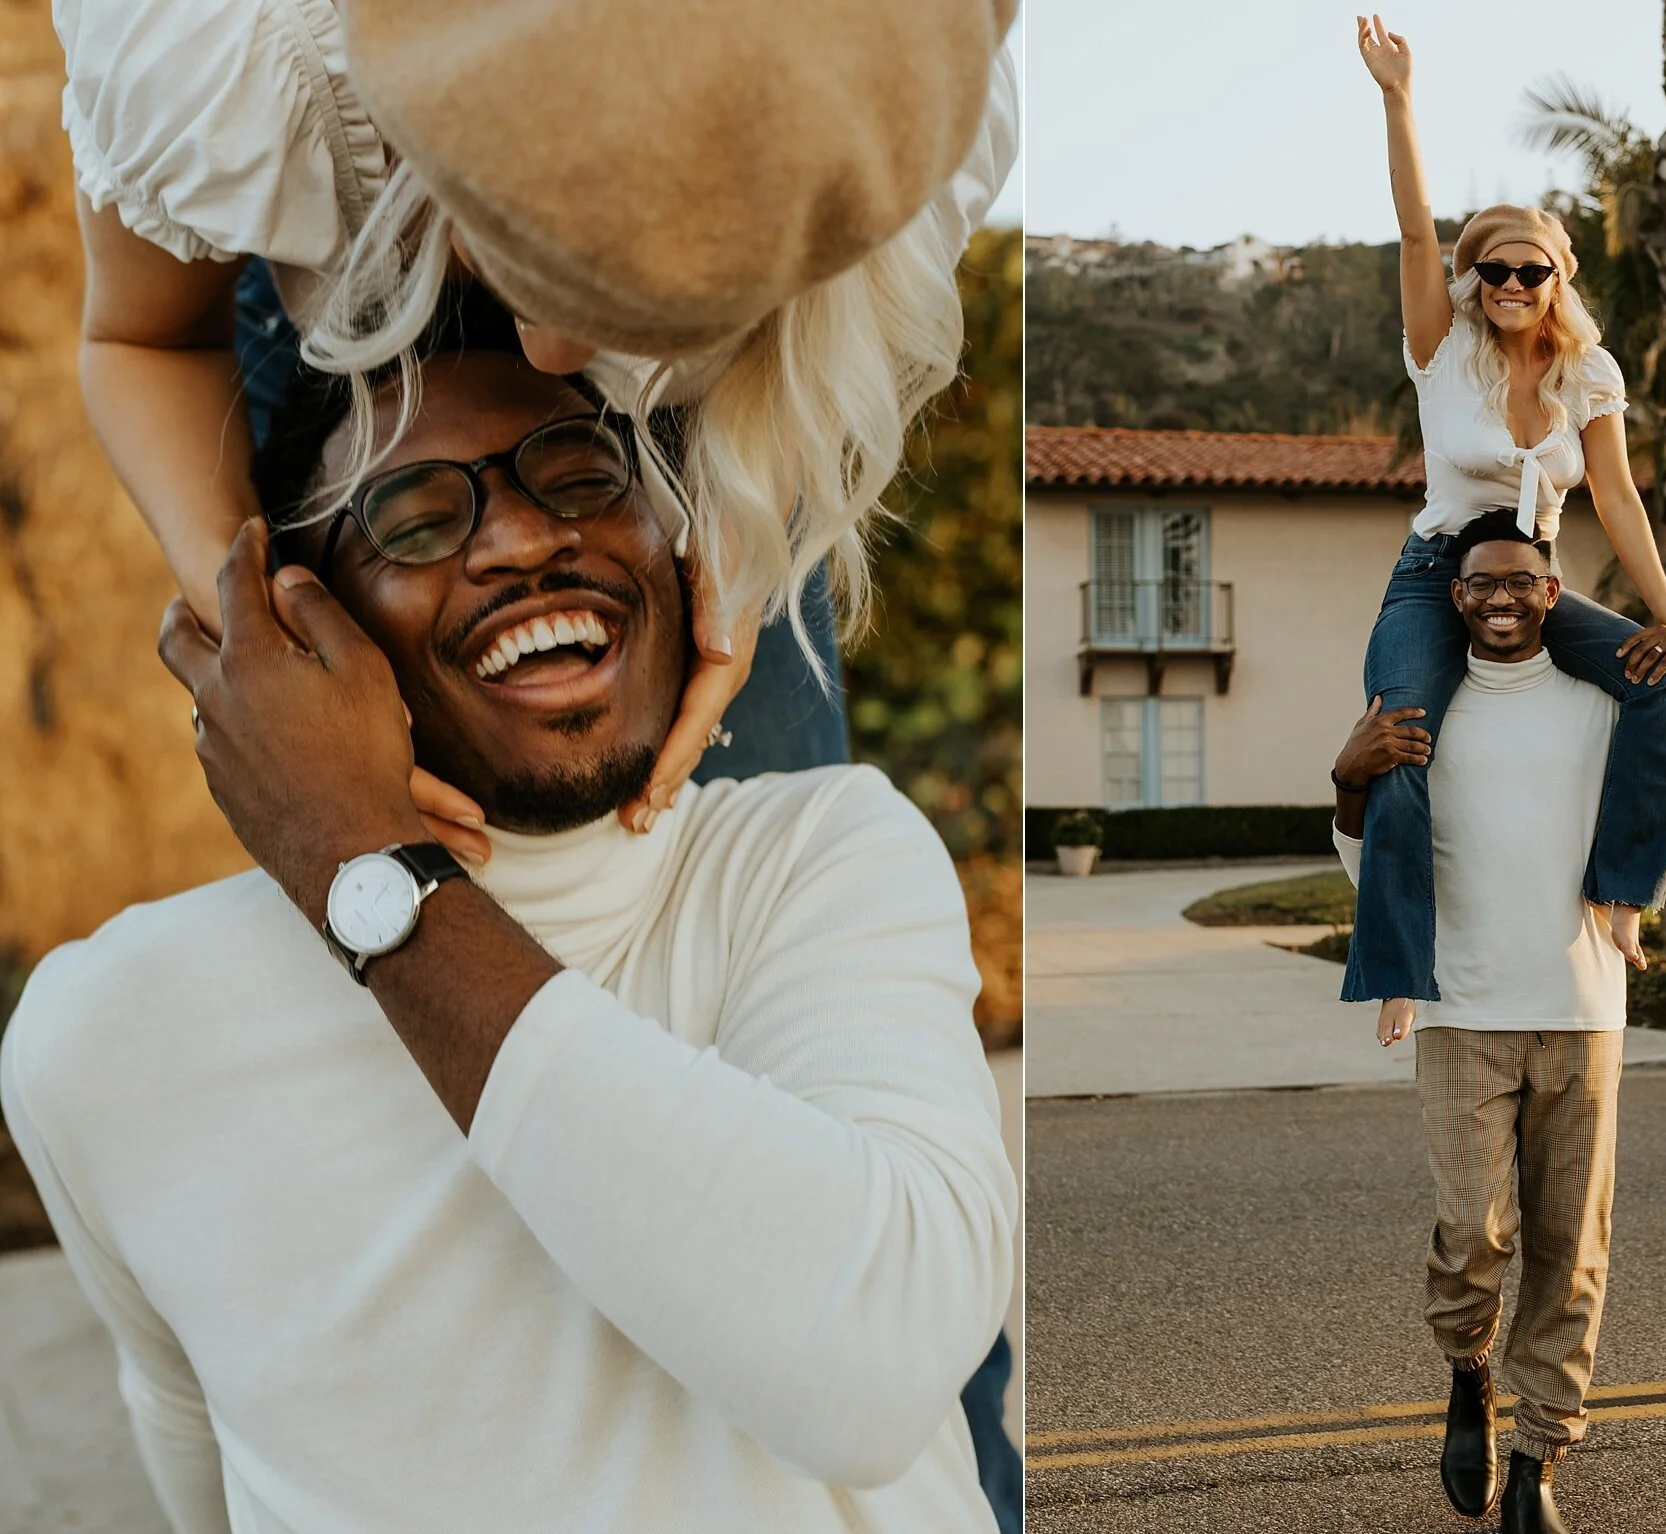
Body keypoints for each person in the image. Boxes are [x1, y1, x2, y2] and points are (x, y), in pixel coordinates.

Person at [0, 319, 1014, 1532]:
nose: (530, 538)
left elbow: (872, 1371)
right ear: (300, 629)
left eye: (584, 475)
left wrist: (363, 866)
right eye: (416, 520)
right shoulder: (107, 1030)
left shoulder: (818, 855)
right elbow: (198, 1437)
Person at [59, 0, 1017, 854]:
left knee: (767, 834)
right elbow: (149, 342)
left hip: (719, 406)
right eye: (541, 271)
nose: (558, 358)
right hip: (330, 311)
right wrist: (263, 626)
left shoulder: (914, 94)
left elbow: (808, 365)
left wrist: (740, 531)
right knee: (341, 793)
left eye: (644, 315)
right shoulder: (210, 51)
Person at [1329, 509, 1666, 1533]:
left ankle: (1536, 1460)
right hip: (1459, 1010)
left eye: (1520, 581)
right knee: (1474, 1234)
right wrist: (1347, 778)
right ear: (1451, 596)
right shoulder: (1424, 703)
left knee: (1569, 1252)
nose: (1500, 599)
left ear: (1552, 592)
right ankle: (1468, 1364)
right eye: (1478, 585)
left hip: (1582, 1010)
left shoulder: (1606, 699)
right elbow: (1366, 864)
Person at [1346, 15, 1666, 1037]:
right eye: (1494, 271)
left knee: (1664, 683)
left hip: (1534, 580)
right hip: (1434, 577)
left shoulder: (1586, 373)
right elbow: (1415, 229)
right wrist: (1397, 98)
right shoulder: (1441, 347)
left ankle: (1618, 891)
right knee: (1398, 740)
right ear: (1474, 278)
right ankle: (1396, 969)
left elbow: (1616, 496)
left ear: (1559, 278)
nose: (1510, 286)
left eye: (1531, 271)